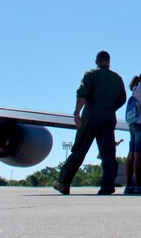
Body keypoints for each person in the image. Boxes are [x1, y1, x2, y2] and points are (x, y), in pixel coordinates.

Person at [54, 51, 126, 195]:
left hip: (91, 116)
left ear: (97, 61)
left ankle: (63, 182)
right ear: (109, 62)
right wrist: (110, 108)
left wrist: (77, 113)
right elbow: (122, 99)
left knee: (80, 149)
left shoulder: (91, 75)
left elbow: (82, 93)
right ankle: (107, 185)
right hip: (109, 118)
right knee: (108, 153)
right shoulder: (117, 78)